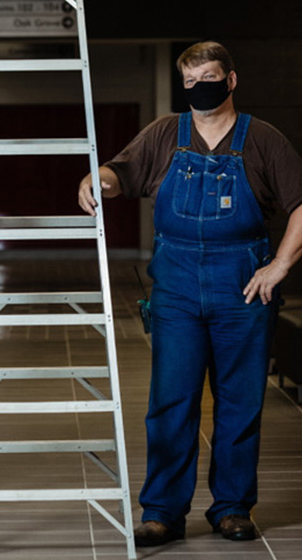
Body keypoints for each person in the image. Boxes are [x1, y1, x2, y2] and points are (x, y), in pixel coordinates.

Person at [79, 42, 302, 547]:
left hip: (242, 291)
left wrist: (279, 265)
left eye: (210, 76)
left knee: (239, 403)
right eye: (191, 80)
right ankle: (162, 512)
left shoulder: (263, 140)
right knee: (170, 403)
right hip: (176, 289)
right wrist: (100, 181)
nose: (200, 86)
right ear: (183, 86)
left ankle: (232, 508)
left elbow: (300, 204)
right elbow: (122, 173)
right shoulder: (164, 133)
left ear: (231, 79)